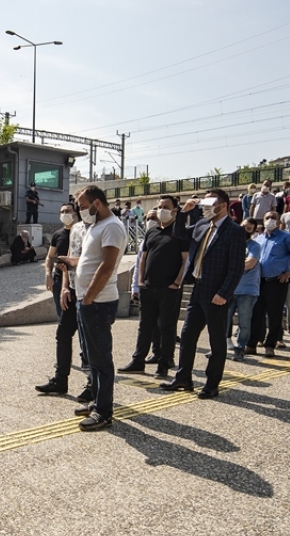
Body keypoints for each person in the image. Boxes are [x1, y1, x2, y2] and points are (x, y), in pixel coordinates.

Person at [161, 189, 246, 399]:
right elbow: (179, 233)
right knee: (188, 335)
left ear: (223, 205)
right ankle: (183, 377)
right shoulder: (201, 225)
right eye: (205, 203)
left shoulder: (234, 231)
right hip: (199, 289)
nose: (206, 207)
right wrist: (183, 212)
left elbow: (236, 267)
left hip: (217, 293)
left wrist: (224, 293)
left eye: (211, 203)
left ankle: (212, 383)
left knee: (216, 341)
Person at [65, 185, 126, 431]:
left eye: (82, 206)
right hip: (88, 300)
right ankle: (97, 402)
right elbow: (92, 260)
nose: (80, 211)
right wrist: (72, 262)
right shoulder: (96, 226)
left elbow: (107, 266)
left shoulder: (111, 226)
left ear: (97, 203)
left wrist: (89, 297)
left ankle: (104, 412)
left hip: (98, 302)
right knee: (93, 357)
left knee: (101, 359)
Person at [120, 196, 189, 377]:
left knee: (167, 327)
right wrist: (140, 282)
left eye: (165, 207)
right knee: (145, 326)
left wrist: (177, 282)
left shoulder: (180, 233)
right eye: (159, 207)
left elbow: (185, 260)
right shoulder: (152, 233)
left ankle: (164, 364)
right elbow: (142, 258)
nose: (161, 210)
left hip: (169, 289)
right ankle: (138, 360)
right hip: (149, 288)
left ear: (175, 210)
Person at [36, 202, 82, 396]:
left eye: (68, 211)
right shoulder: (58, 234)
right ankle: (60, 377)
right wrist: (48, 274)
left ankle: (90, 379)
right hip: (62, 282)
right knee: (62, 327)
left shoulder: (82, 232)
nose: (65, 214)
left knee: (85, 334)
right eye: (62, 211)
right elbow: (51, 257)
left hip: (80, 284)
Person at [252, 210, 290, 357]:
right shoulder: (259, 239)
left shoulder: (286, 237)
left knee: (274, 314)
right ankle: (254, 342)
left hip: (277, 281)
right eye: (267, 217)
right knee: (257, 313)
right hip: (258, 281)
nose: (270, 220)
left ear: (279, 221)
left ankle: (270, 344)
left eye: (273, 218)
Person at [226, 218, 262, 361]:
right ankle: (219, 347)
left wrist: (230, 263)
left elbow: (250, 264)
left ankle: (240, 348)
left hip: (247, 290)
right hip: (229, 288)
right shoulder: (231, 243)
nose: (244, 230)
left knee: (244, 322)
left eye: (248, 229)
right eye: (243, 227)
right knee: (222, 320)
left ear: (253, 232)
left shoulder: (255, 246)